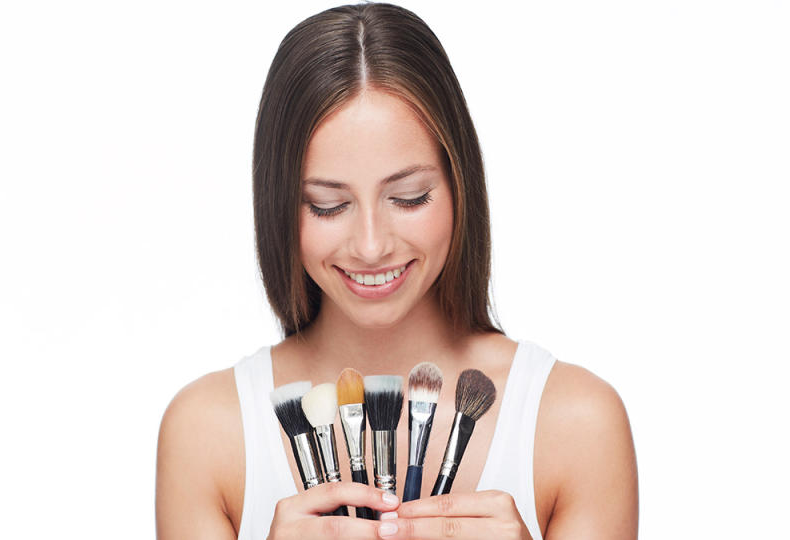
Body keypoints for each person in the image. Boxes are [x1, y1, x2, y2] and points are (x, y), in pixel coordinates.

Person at [155, 2, 638, 539]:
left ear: (459, 184)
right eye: (326, 204)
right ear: (277, 204)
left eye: (408, 198)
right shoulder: (208, 433)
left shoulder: (575, 424)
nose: (370, 245)